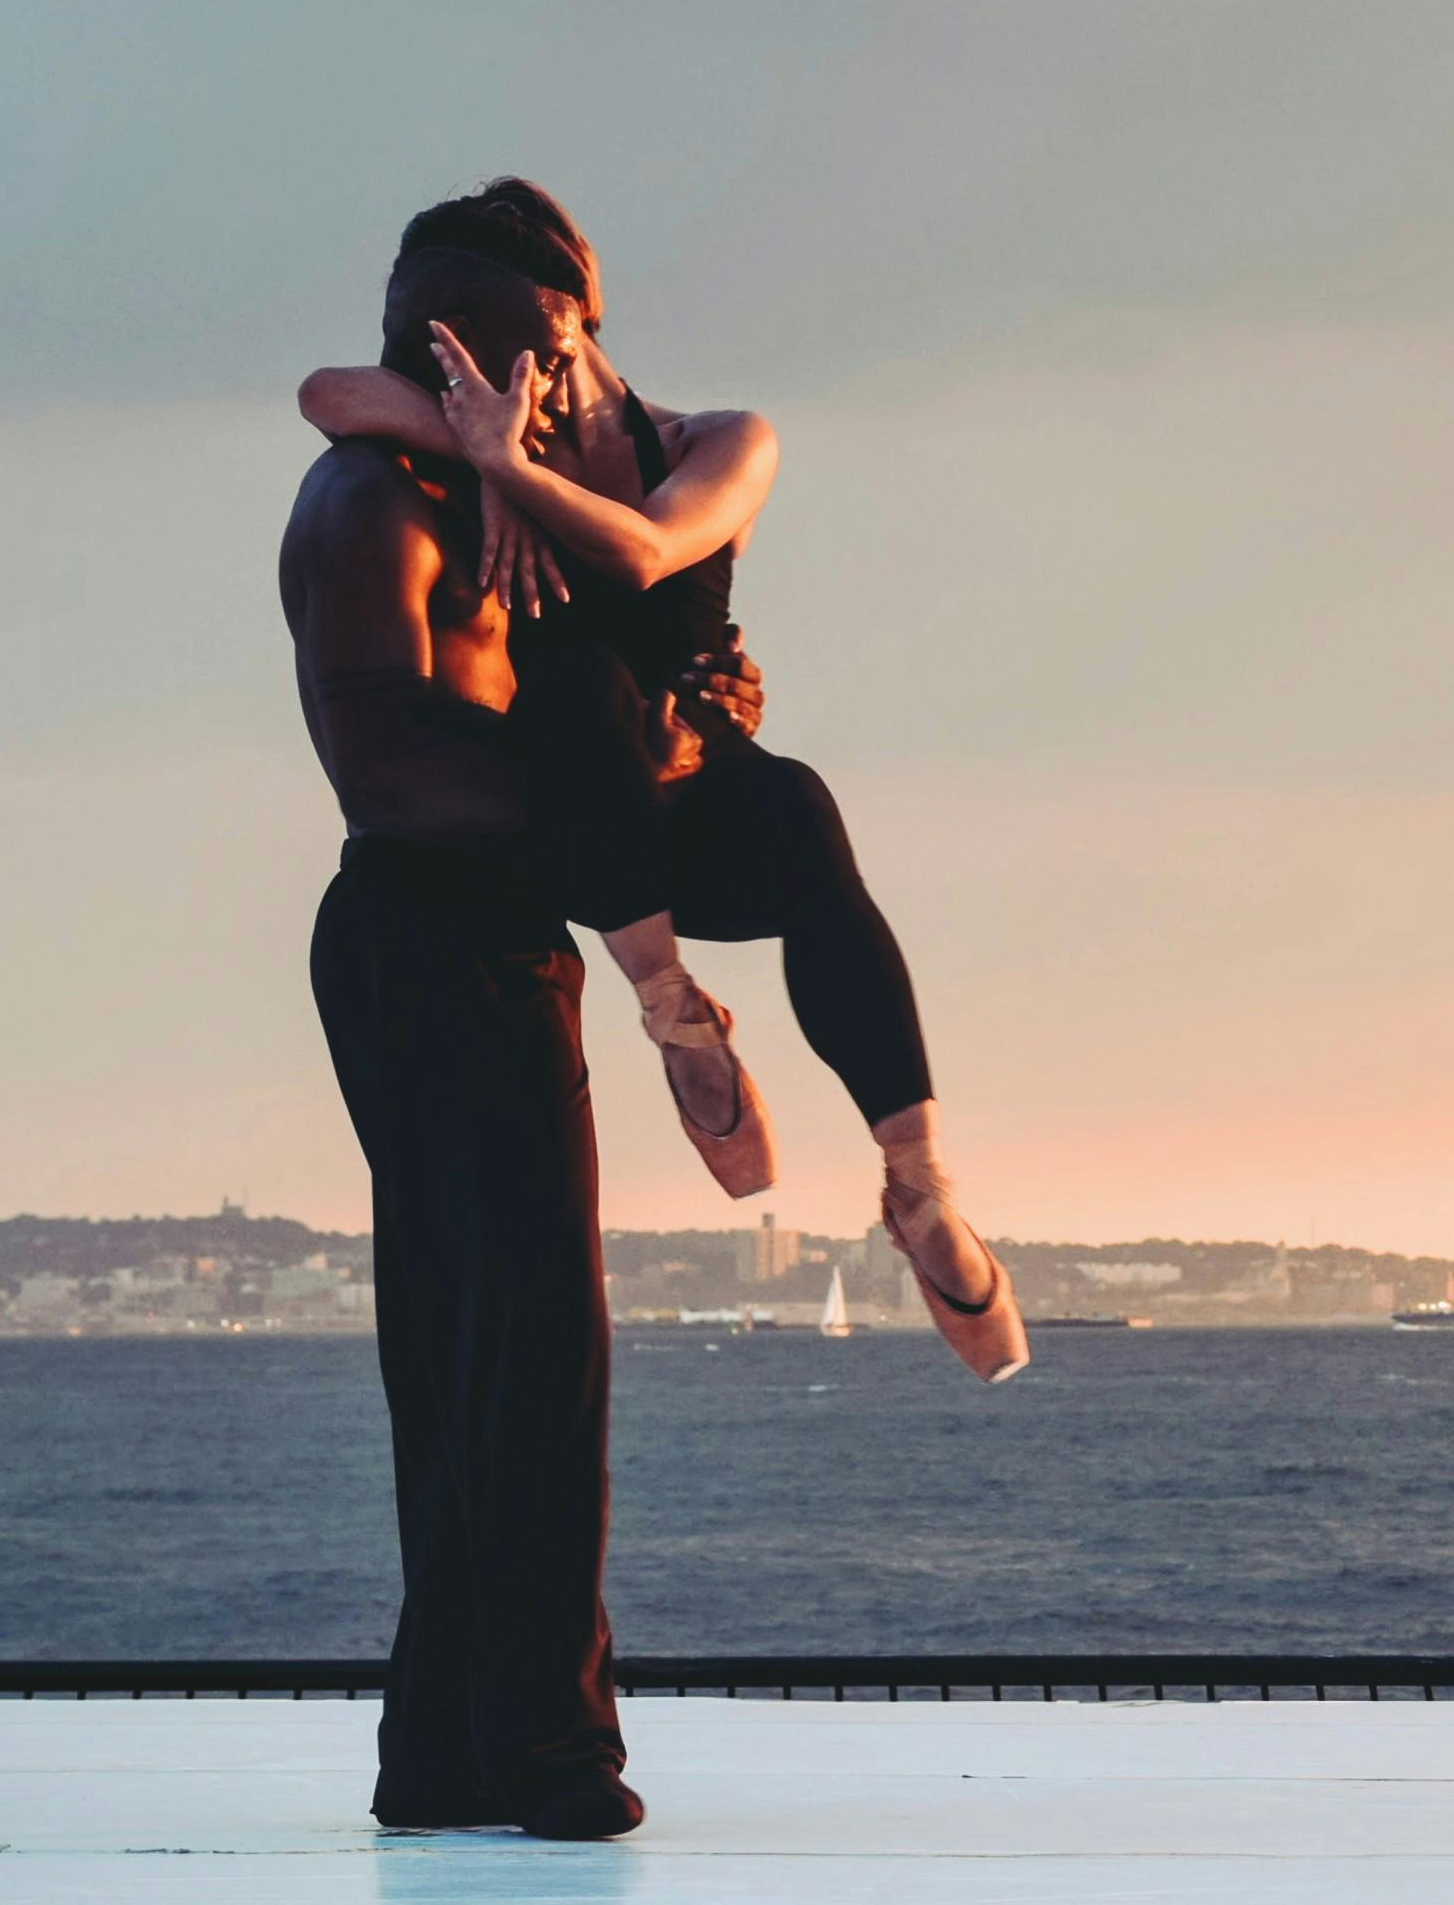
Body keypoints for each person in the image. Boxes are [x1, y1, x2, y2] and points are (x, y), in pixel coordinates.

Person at [300, 181, 1027, 1384]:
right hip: (585, 817)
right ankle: (680, 1021)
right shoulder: (476, 426)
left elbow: (641, 552)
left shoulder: (715, 440)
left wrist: (510, 474)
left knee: (797, 801)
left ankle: (920, 1190)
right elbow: (326, 394)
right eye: (450, 363)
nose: (479, 382)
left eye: (501, 349)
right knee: (580, 686)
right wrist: (481, 452)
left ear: (572, 321)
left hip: (699, 803)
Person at [280, 239, 642, 1841]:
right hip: (425, 937)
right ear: (475, 350)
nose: (574, 377)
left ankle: (440, 1757)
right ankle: (553, 1762)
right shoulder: (365, 509)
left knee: (481, 1359)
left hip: (494, 941)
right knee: (524, 1355)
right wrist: (617, 828)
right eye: (555, 345)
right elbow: (386, 765)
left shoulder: (469, 494)